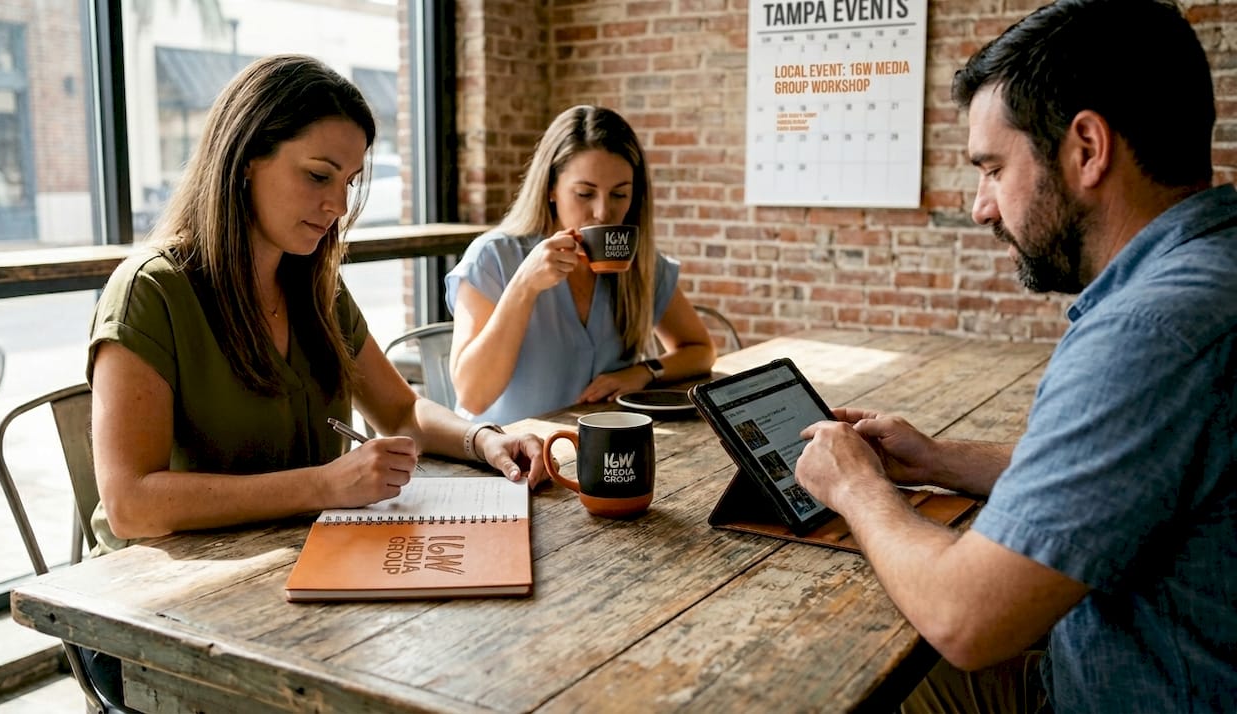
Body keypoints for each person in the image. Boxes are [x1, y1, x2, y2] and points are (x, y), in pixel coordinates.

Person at [792, 1, 1236, 713]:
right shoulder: (1213, 270)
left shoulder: (1153, 331)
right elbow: (1135, 476)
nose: (981, 207)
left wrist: (856, 489)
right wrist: (938, 461)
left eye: (993, 168)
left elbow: (966, 620)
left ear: (1087, 148)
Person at [89, 54, 549, 557]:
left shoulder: (315, 287)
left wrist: (482, 440)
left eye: (348, 181)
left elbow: (400, 411)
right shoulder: (150, 292)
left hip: (300, 562)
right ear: (246, 158)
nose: (340, 206)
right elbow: (129, 503)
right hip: (155, 597)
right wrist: (324, 486)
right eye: (317, 176)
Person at [444, 105, 717, 424]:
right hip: (502, 457)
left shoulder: (638, 261)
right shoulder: (493, 257)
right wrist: (524, 286)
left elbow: (700, 350)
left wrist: (644, 372)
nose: (603, 212)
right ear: (550, 188)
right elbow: (473, 397)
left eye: (619, 195)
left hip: (595, 451)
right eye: (585, 193)